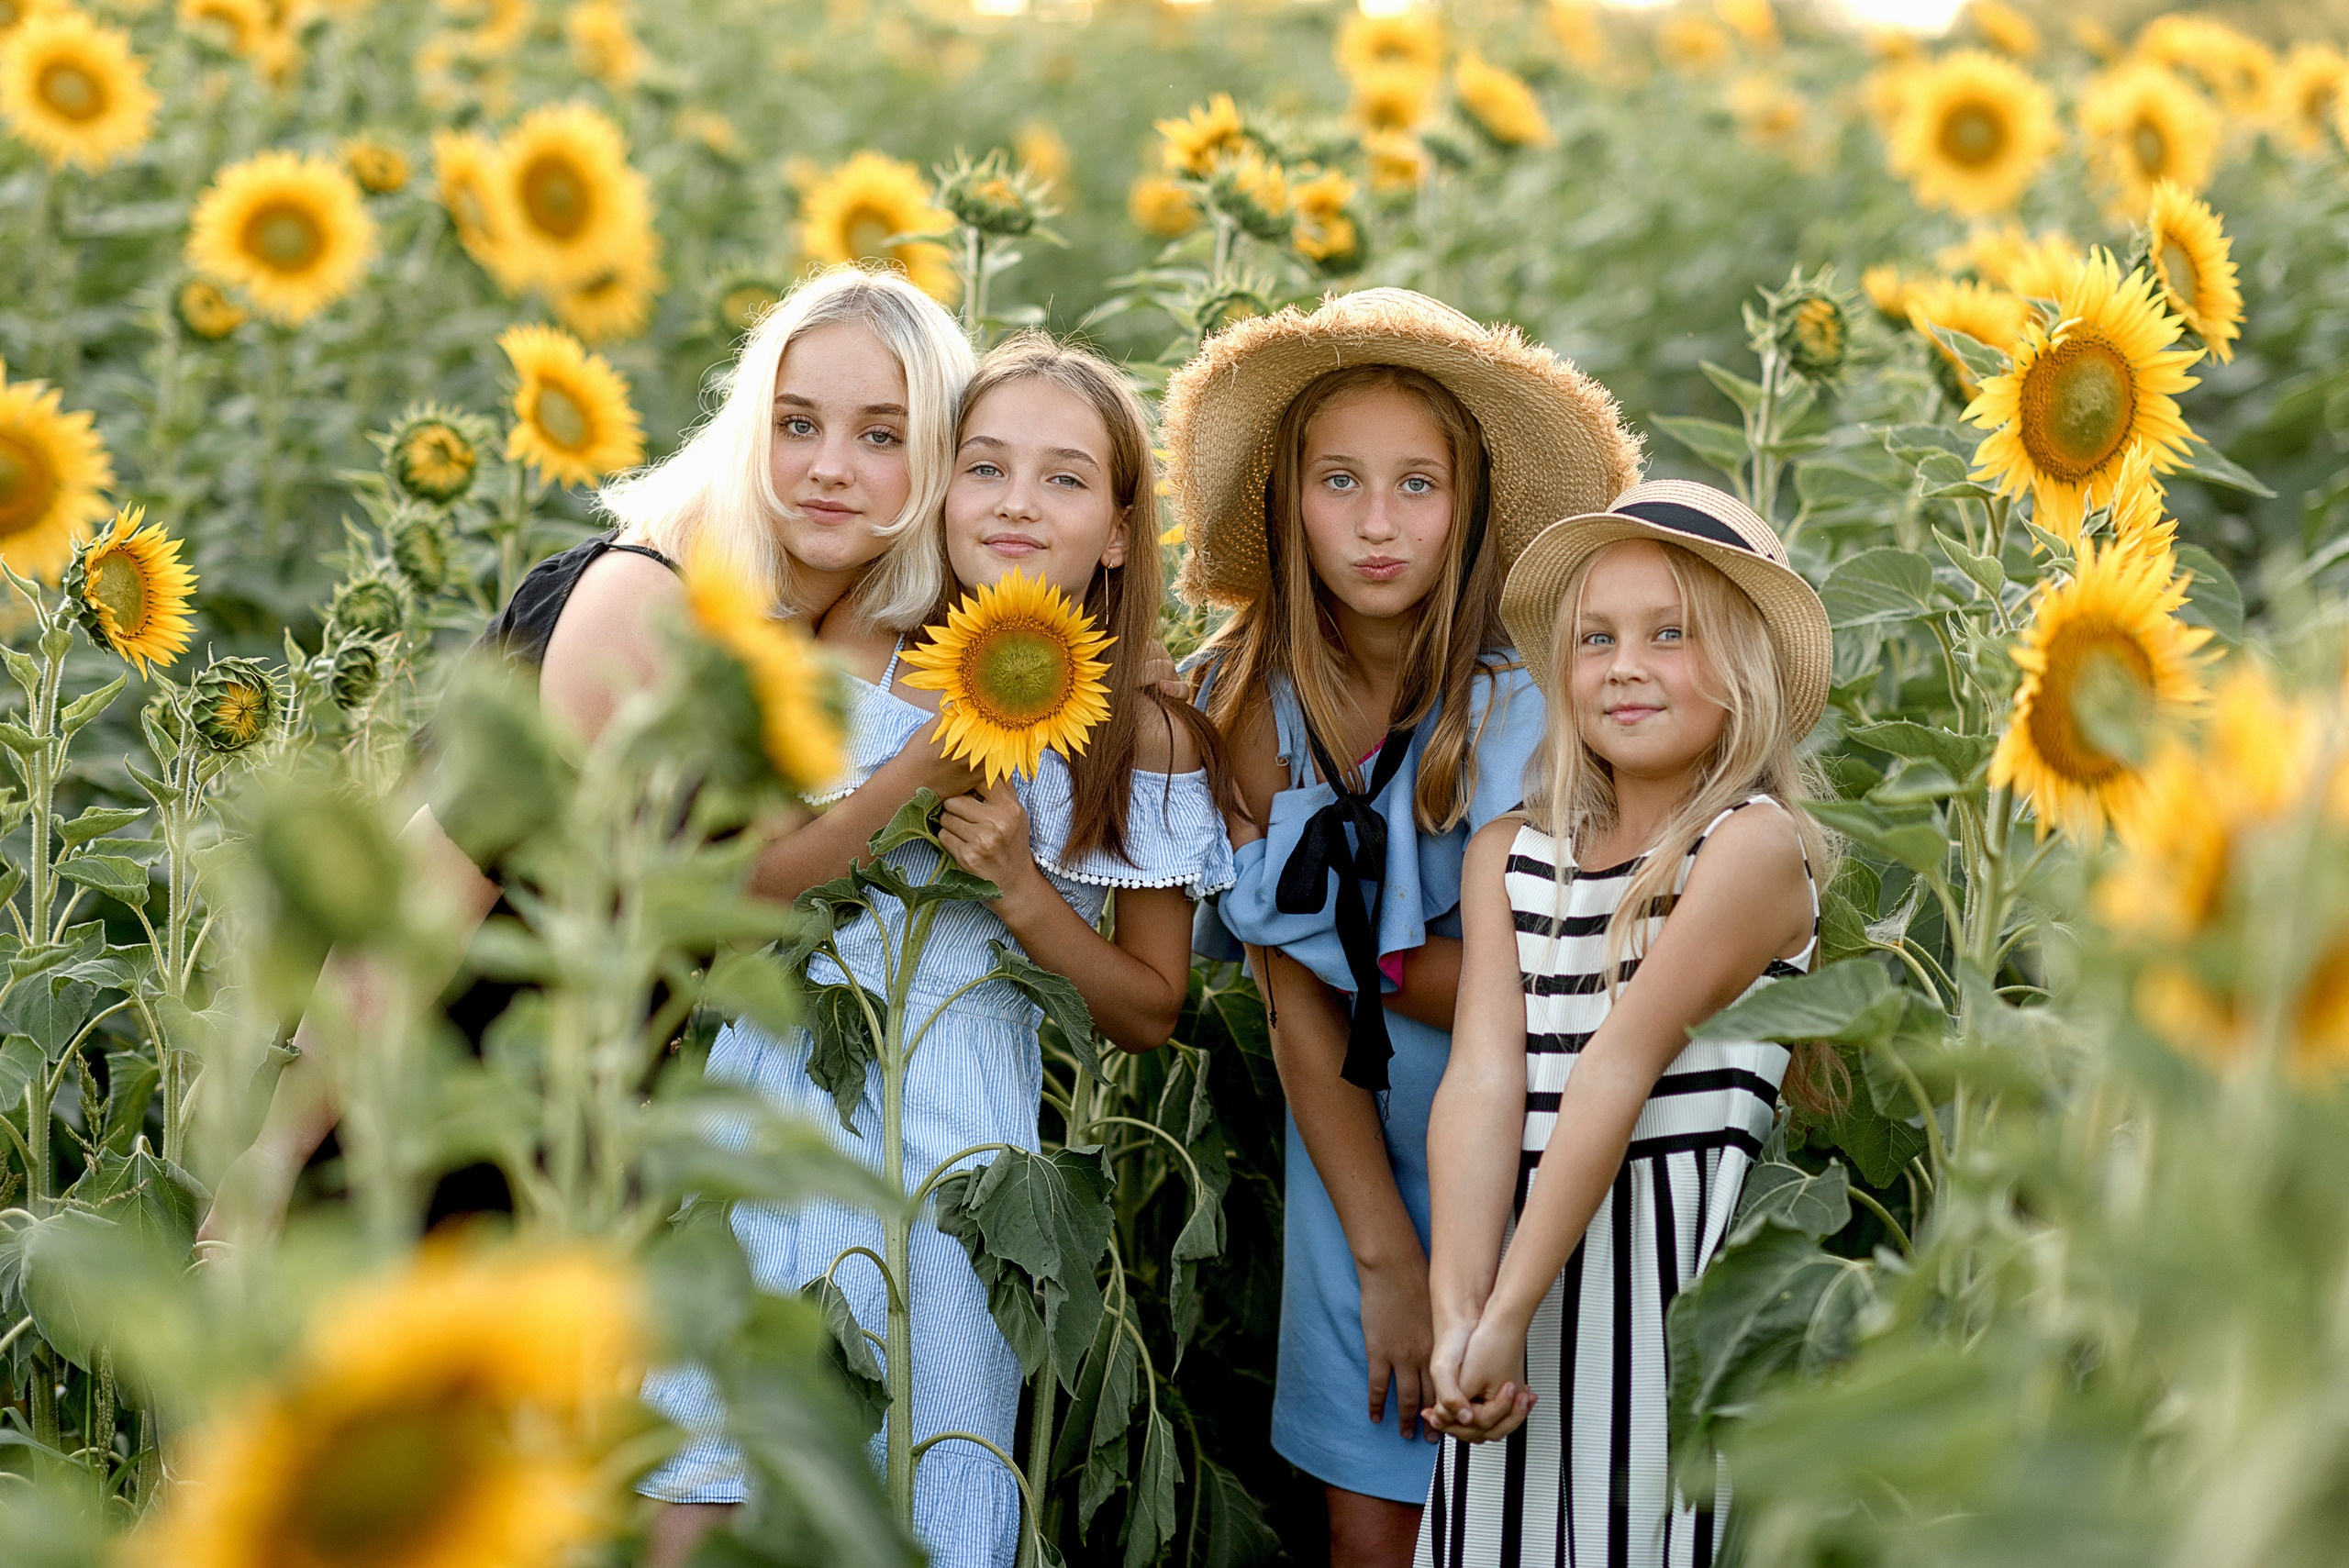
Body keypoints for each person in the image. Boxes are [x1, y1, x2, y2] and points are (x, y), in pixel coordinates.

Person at [196, 263, 977, 1245]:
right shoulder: (646, 602)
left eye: (881, 434)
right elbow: (430, 888)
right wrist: (270, 1160)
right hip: (429, 1116)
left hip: (574, 1154)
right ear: (747, 432)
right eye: (795, 423)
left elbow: (755, 889)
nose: (828, 465)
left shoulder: (814, 638)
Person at [640, 333, 1236, 1568]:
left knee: (926, 1477)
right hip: (767, 1110)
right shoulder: (846, 651)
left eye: (1066, 479)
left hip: (961, 1163)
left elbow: (1149, 1005)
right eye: (985, 467)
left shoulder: (1143, 731)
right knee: (699, 1478)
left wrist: (1025, 893)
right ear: (939, 487)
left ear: (1121, 532)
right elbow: (742, 892)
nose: (1019, 502)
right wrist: (913, 768)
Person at [1163, 288, 1641, 1564]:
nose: (1378, 524)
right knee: (1373, 1516)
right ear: (1287, 499)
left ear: (1473, 507)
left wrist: (1351, 950)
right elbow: (1292, 1005)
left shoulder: (1527, 704)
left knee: (1533, 1504)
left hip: (1540, 1165)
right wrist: (1379, 1252)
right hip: (1354, 1170)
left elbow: (1540, 988)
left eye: (1419, 484)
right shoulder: (1245, 703)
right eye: (1340, 480)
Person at [1414, 481, 1839, 1568]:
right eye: (1594, 637)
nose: (1624, 664)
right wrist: (1459, 1316)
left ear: (1744, 670)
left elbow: (1617, 1066)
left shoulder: (1749, 848)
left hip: (1655, 1319)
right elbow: (1478, 1084)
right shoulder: (1508, 853)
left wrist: (1507, 1306)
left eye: (1669, 635)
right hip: (1514, 1301)